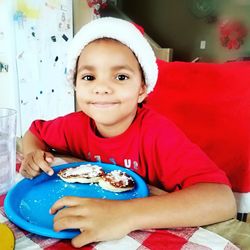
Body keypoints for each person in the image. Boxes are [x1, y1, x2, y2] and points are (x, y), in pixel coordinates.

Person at [20, 17, 236, 248]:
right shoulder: (74, 125)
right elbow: (35, 133)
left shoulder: (157, 134)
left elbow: (222, 200)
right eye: (89, 77)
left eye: (120, 77)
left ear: (142, 89)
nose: (101, 87)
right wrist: (33, 153)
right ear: (75, 85)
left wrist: (126, 215)